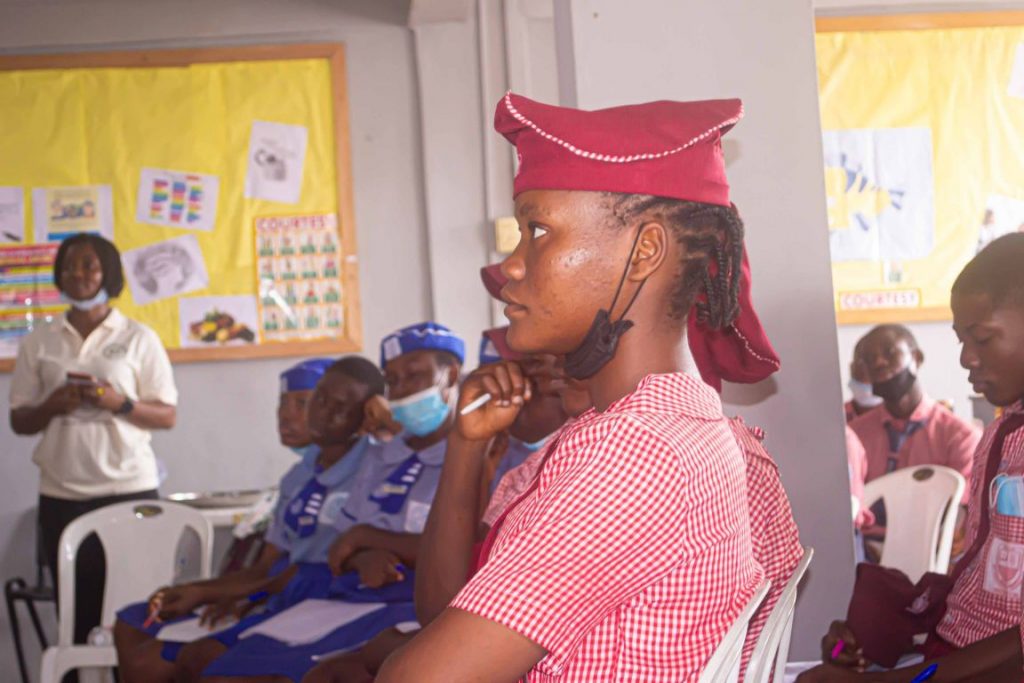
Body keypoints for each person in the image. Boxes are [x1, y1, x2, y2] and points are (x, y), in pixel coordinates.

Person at [373, 92, 767, 682]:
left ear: (645, 251)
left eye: (537, 230)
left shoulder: (633, 455)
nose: (511, 264)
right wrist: (466, 444)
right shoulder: (665, 428)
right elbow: (444, 616)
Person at [797, 233, 1024, 682]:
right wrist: (865, 642)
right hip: (954, 641)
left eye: (981, 338)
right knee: (831, 658)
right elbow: (975, 579)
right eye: (961, 340)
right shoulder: (1002, 433)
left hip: (989, 661)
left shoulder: (966, 433)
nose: (966, 358)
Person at [190, 321, 463, 683]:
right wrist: (362, 552)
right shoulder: (381, 459)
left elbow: (463, 551)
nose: (402, 391)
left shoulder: (470, 457)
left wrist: (367, 538)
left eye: (414, 377)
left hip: (413, 605)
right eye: (393, 381)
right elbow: (341, 548)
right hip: (352, 595)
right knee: (218, 668)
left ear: (452, 375)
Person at [114, 357, 383, 682]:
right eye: (318, 399)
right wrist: (202, 590)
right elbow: (269, 564)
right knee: (132, 625)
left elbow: (316, 571)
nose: (319, 412)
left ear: (366, 416)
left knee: (184, 661)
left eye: (337, 406)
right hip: (284, 590)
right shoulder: (298, 476)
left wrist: (239, 594)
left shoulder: (377, 467)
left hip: (326, 598)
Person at [9, 233, 177, 648]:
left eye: (89, 266)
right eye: (68, 266)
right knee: (77, 615)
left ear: (109, 274)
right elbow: (20, 420)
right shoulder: (39, 340)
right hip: (62, 493)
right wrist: (54, 404)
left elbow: (167, 415)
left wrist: (118, 403)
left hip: (129, 488)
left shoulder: (138, 337)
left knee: (136, 611)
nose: (77, 274)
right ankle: (77, 675)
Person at [849, 324, 980, 499]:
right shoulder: (855, 435)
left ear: (917, 358)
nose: (879, 362)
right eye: (870, 359)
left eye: (890, 353)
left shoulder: (959, 437)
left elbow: (962, 507)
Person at [846, 335, 883, 422]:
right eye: (861, 365)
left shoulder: (903, 420)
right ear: (852, 368)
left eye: (877, 368)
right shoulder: (836, 415)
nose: (867, 374)